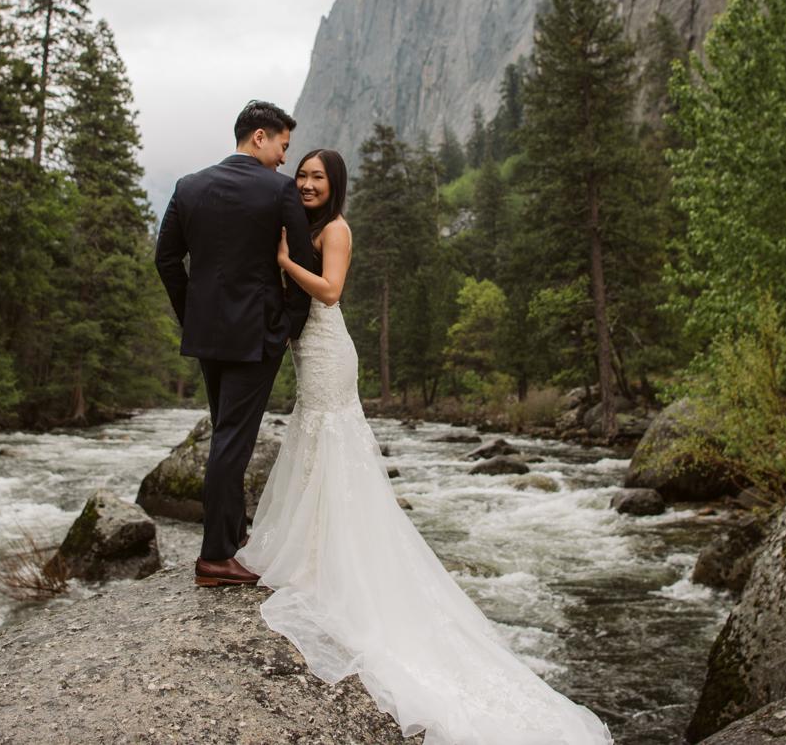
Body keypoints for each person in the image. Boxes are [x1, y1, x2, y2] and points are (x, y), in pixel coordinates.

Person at [240, 148, 613, 745]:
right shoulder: (305, 225)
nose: (307, 183)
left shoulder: (334, 230)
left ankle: (331, 564)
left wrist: (285, 260)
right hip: (309, 353)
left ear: (335, 186)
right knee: (313, 443)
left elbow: (330, 293)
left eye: (318, 177)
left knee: (330, 443)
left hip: (330, 352)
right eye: (302, 175)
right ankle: (313, 554)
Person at [154, 100, 315, 587]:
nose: (286, 159)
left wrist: (193, 315)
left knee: (227, 433)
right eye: (283, 146)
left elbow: (166, 260)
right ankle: (216, 557)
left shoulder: (188, 186)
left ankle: (232, 536)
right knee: (232, 441)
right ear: (260, 137)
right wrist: (290, 325)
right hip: (255, 336)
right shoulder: (278, 190)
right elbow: (303, 262)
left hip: (208, 336)